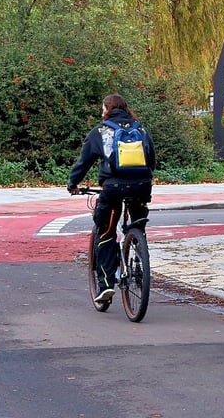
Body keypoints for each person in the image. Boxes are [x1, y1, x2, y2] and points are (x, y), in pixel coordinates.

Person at [67, 94, 155, 304]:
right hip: (141, 186)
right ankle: (137, 249)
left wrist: (73, 184)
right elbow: (151, 158)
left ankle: (106, 286)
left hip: (113, 187)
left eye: (102, 109)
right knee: (137, 225)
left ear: (107, 109)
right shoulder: (140, 129)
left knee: (105, 231)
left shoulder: (101, 131)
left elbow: (84, 161)